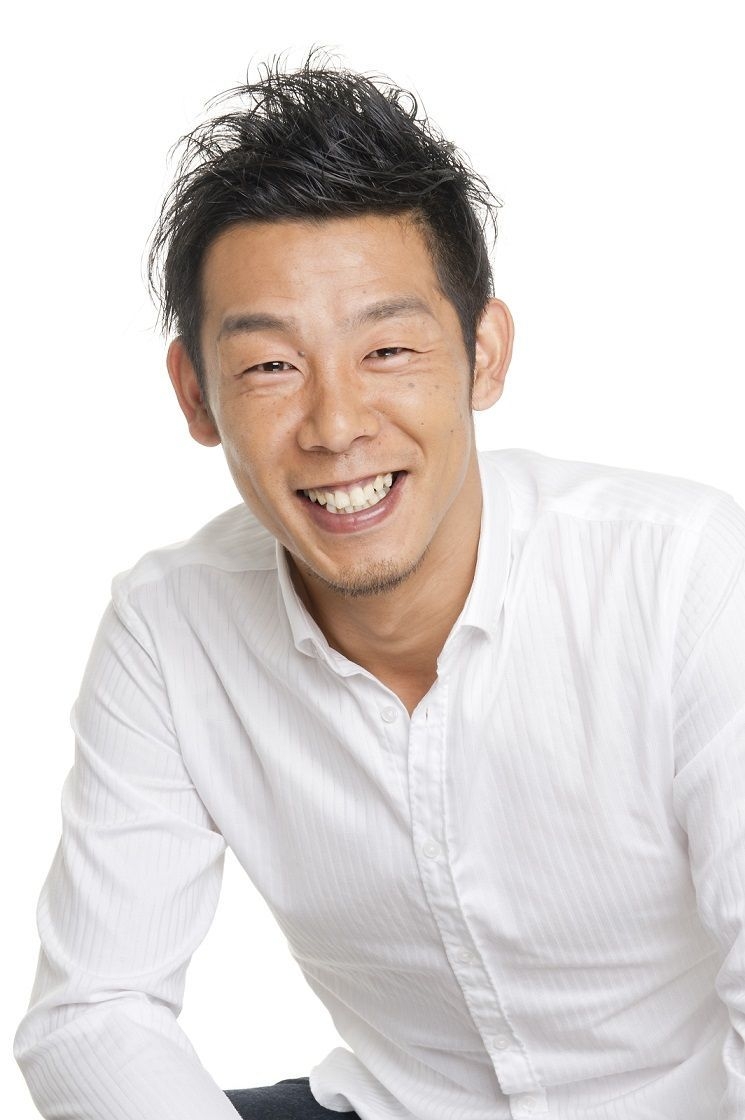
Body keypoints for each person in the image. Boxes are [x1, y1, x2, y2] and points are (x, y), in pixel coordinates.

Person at [13, 54, 745, 1120]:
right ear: (195, 394)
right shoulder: (168, 630)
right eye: (270, 366)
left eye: (388, 349)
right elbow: (95, 1012)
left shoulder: (683, 577)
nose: (336, 424)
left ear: (483, 354)